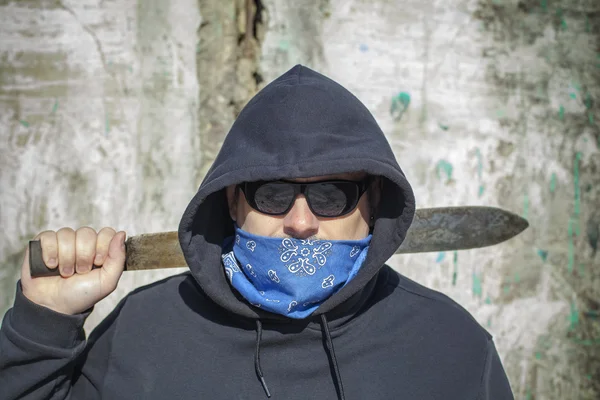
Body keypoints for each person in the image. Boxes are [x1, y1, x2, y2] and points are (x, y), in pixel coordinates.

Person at [0, 65, 514, 399]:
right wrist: (43, 324)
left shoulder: (451, 346)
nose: (301, 222)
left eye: (332, 195)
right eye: (271, 194)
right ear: (232, 198)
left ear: (373, 199)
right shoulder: (145, 331)